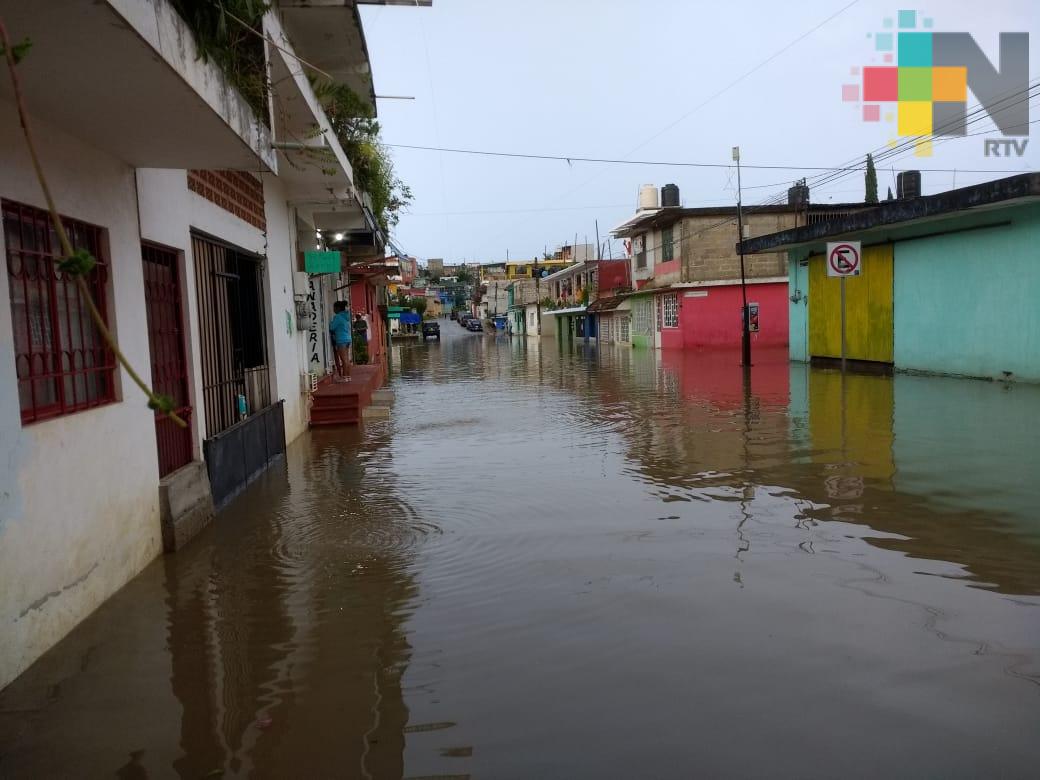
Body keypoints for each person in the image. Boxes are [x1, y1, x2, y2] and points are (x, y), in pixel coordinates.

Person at [329, 300, 352, 382]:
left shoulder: (338, 317)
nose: (333, 309)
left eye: (334, 308)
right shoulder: (346, 316)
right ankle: (348, 377)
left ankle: (344, 377)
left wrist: (330, 323)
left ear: (338, 308)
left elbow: (332, 327)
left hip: (341, 340)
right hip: (347, 339)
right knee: (347, 359)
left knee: (344, 360)